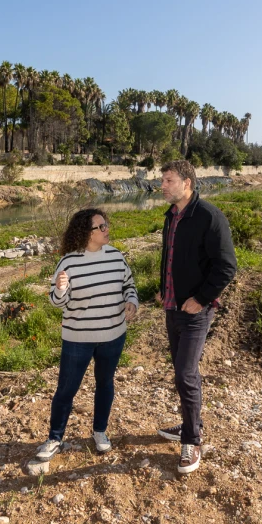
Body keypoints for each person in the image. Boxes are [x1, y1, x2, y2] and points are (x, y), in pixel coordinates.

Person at [34, 208, 139, 463]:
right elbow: (57, 302)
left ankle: (99, 431)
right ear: (87, 232)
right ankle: (54, 438)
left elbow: (129, 285)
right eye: (101, 227)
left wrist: (132, 302)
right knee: (66, 390)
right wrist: (60, 290)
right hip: (77, 338)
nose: (107, 230)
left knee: (105, 384)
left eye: (106, 225)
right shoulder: (68, 262)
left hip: (113, 335)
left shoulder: (115, 255)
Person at [155, 160, 237, 474]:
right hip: (171, 308)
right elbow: (170, 257)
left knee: (185, 374)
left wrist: (201, 299)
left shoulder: (209, 217)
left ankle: (192, 440)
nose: (162, 185)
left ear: (187, 183)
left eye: (168, 180)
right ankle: (192, 423)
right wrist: (163, 288)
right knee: (182, 371)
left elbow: (227, 266)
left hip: (195, 312)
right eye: (162, 180)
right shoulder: (171, 216)